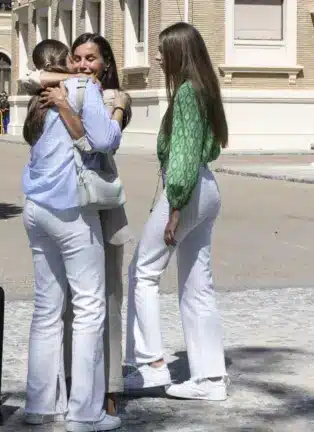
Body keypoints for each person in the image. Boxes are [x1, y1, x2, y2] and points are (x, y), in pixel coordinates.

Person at [22, 32, 133, 417]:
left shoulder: (44, 95)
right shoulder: (85, 89)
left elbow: (31, 78)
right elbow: (104, 140)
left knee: (47, 309)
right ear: (68, 60)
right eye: (77, 57)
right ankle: (85, 412)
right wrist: (109, 109)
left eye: (91, 58)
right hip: (74, 206)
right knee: (89, 307)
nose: (84, 64)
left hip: (36, 206)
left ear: (106, 62)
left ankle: (39, 408)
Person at [124, 22, 230, 400]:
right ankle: (210, 379)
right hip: (207, 188)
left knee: (143, 271)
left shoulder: (186, 93)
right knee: (197, 285)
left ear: (178, 54)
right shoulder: (205, 89)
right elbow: (211, 148)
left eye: (161, 50)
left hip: (186, 191)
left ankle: (151, 364)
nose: (156, 57)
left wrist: (175, 206)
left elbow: (183, 155)